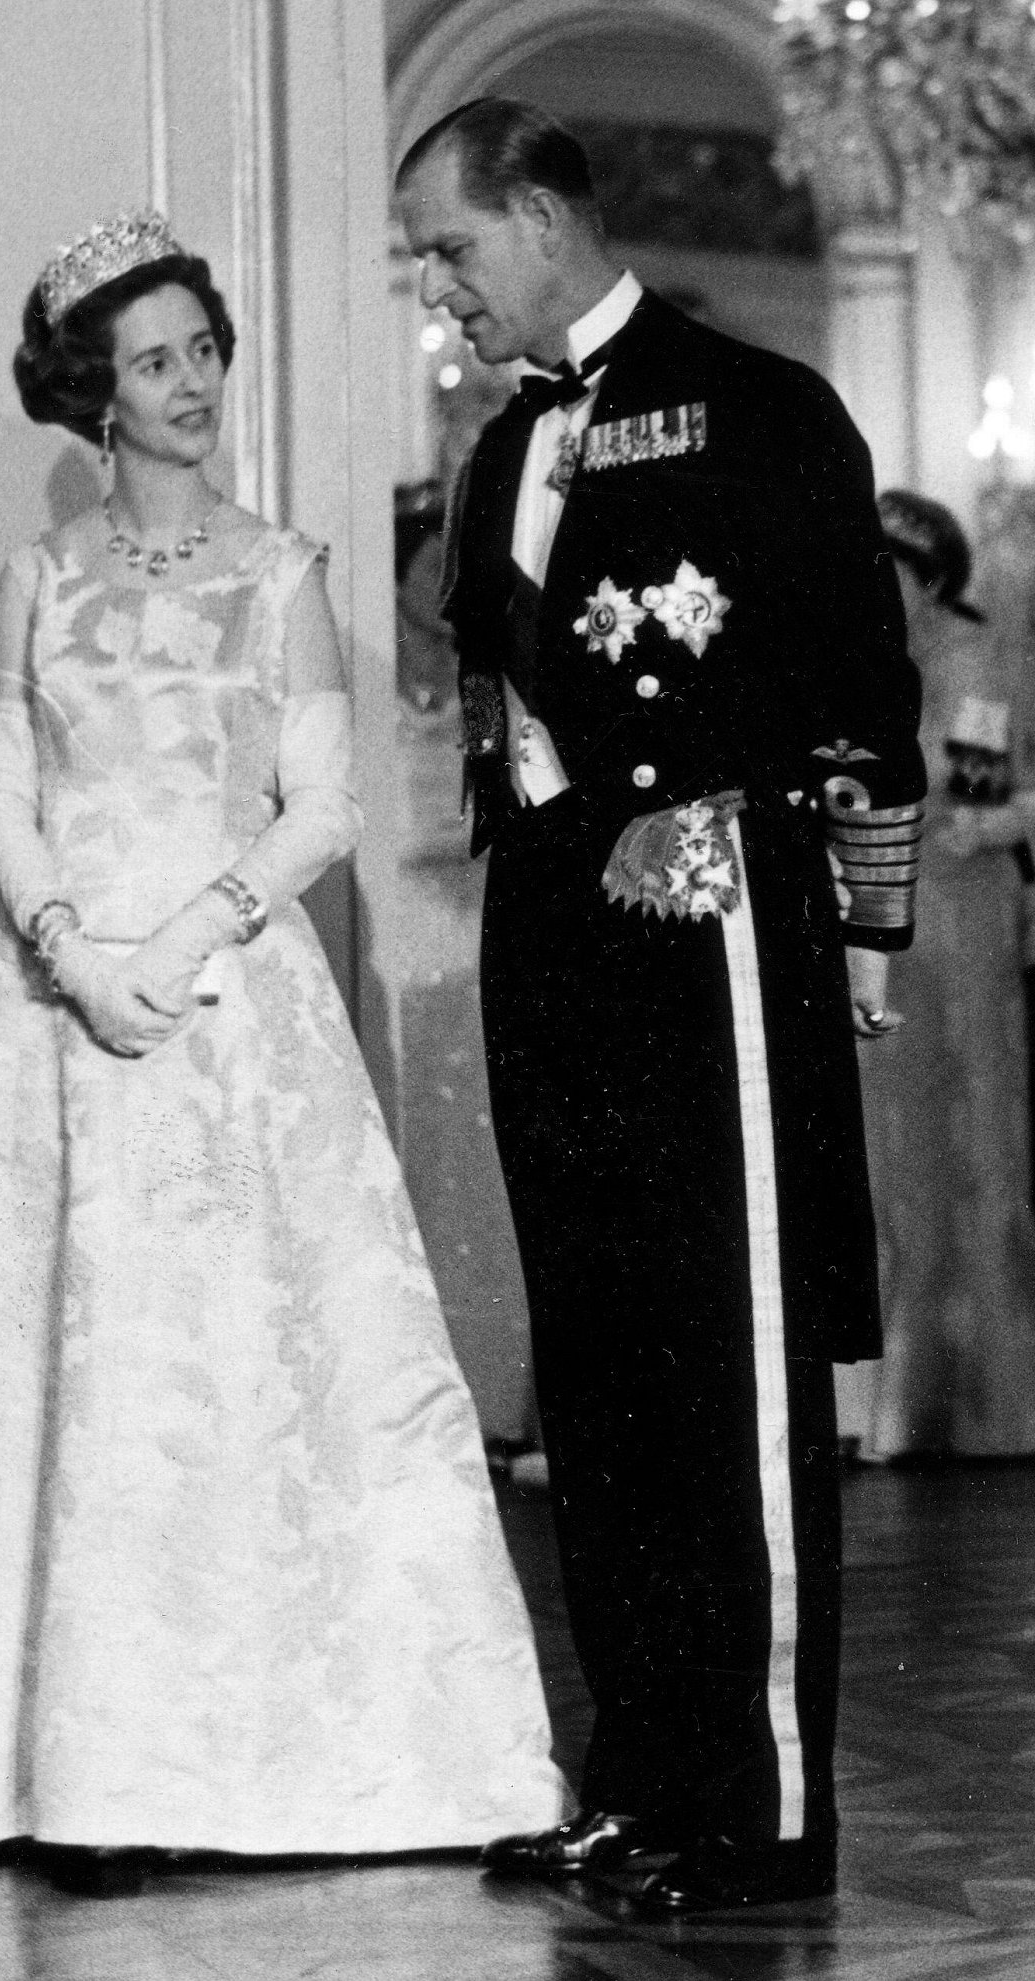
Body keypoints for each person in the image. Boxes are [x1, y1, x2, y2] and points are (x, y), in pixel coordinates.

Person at [0, 212, 565, 1895]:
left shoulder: (282, 570)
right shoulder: (39, 577)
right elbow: (1, 786)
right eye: (154, 360)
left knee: (241, 1372)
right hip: (63, 1015)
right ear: (93, 391)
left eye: (203, 350)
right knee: (90, 1379)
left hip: (230, 1010)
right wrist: (72, 953)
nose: (191, 384)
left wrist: (170, 950)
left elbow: (322, 806)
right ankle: (93, 1770)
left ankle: (282, 1757)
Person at [396, 100, 926, 1912]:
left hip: (712, 927)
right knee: (604, 1378)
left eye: (454, 249)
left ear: (545, 218)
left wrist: (857, 927)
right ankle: (641, 1782)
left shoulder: (761, 408)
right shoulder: (502, 448)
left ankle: (758, 1814)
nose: (441, 290)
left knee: (730, 1370)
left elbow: (857, 684)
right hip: (554, 937)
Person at [857, 491, 1035, 1456]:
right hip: (891, 928)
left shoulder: (979, 663)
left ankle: (990, 1403)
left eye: (890, 572)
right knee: (902, 1154)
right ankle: (909, 1398)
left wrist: (991, 819)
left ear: (929, 579)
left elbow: (978, 792)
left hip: (964, 922)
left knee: (979, 1143)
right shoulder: (864, 665)